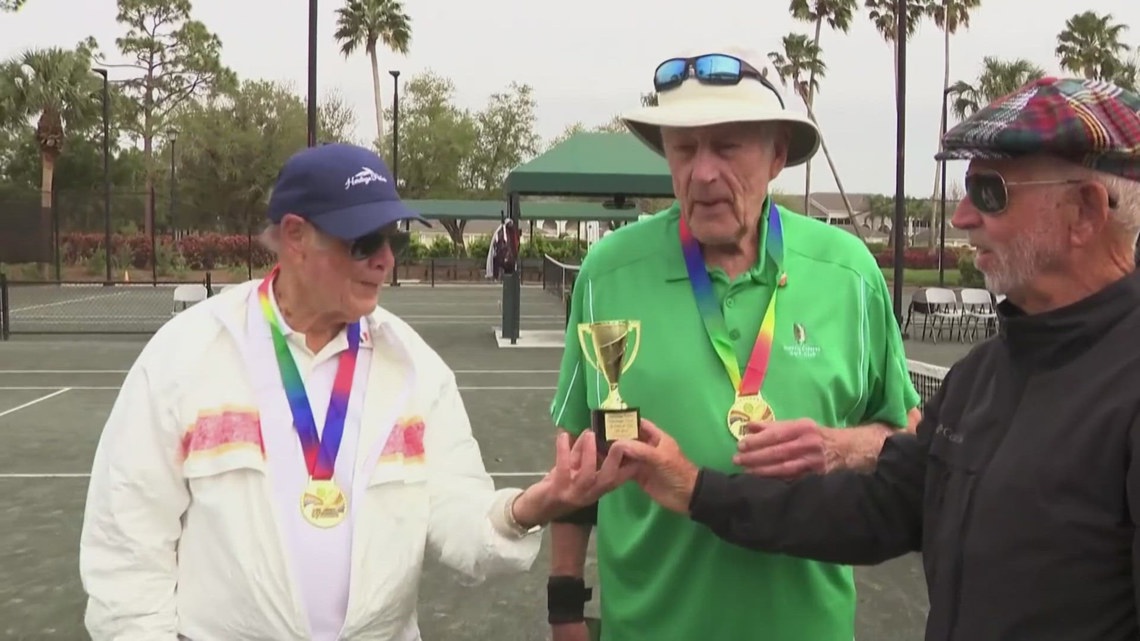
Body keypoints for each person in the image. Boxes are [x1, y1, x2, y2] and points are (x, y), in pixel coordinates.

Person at [611, 77, 1140, 641]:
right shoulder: (980, 378)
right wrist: (697, 490)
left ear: (1084, 212)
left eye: (990, 192)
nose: (960, 217)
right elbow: (876, 507)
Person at [78, 143, 634, 641]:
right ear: (295, 236)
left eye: (390, 239)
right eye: (363, 241)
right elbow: (126, 548)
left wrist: (527, 507)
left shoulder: (417, 368)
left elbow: (458, 518)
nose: (385, 259)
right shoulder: (187, 354)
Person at [546, 47, 921, 641]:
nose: (703, 172)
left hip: (807, 628)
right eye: (685, 148)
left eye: (727, 146)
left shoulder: (848, 272)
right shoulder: (608, 271)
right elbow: (576, 454)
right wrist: (564, 604)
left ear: (776, 155)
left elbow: (906, 435)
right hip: (646, 628)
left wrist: (839, 445)